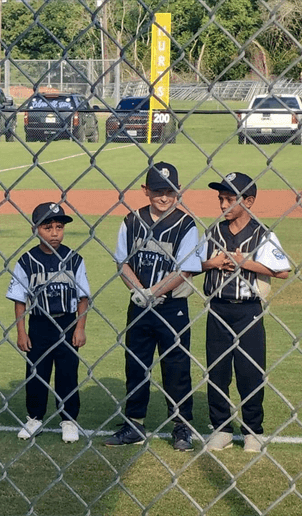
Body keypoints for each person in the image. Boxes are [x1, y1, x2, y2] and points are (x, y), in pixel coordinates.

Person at [104, 162, 204, 449]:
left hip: (172, 307)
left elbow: (185, 269)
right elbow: (122, 262)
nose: (164, 197)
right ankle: (134, 424)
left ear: (178, 191)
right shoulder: (132, 220)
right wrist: (140, 291)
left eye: (170, 191)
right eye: (158, 191)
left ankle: (181, 427)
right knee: (136, 366)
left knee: (176, 367)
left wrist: (154, 292)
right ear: (145, 191)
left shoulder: (185, 224)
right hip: (139, 305)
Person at [198, 172, 293, 453]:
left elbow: (283, 271)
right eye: (220, 199)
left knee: (249, 371)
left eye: (229, 199)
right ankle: (221, 428)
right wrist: (213, 263)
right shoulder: (213, 232)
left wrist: (244, 263)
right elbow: (193, 265)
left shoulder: (263, 234)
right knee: (217, 371)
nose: (222, 204)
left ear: (248, 201)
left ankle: (253, 430)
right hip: (218, 308)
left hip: (248, 310)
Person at [7, 202, 92, 443]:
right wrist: (21, 332)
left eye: (59, 227)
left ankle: (68, 420)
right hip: (39, 323)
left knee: (67, 373)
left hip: (66, 323)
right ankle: (34, 417)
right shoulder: (26, 261)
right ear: (36, 230)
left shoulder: (74, 259)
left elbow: (83, 297)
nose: (55, 233)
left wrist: (80, 327)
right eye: (48, 227)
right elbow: (20, 300)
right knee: (37, 373)